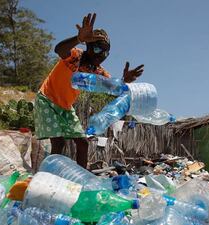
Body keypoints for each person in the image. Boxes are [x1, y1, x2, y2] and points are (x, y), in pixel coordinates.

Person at [34, 13, 144, 168]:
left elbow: (113, 86)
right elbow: (59, 49)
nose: (102, 55)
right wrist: (78, 38)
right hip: (47, 100)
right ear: (88, 46)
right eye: (98, 49)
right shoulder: (74, 55)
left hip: (65, 108)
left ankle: (82, 179)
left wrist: (124, 80)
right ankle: (49, 176)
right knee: (58, 142)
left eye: (105, 52)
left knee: (83, 143)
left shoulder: (97, 71)